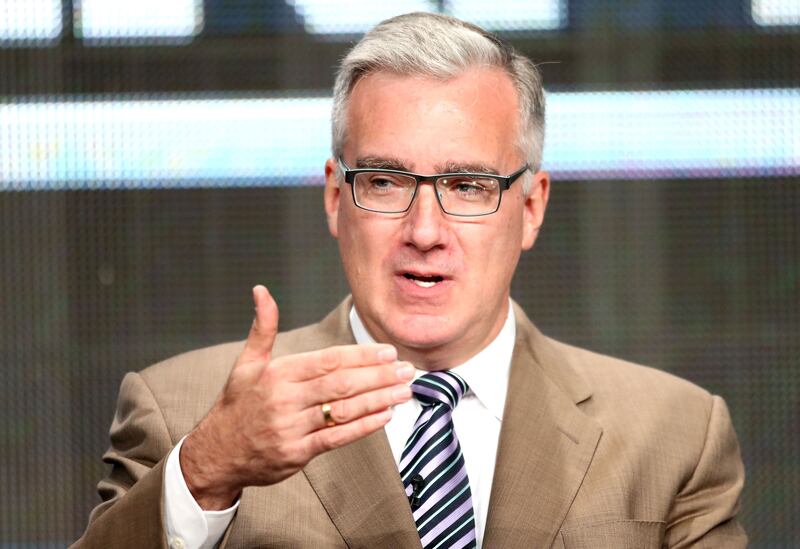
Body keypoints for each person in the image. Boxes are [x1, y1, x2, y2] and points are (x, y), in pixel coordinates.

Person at [74, 12, 746, 549]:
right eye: (386, 181)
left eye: (468, 184)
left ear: (532, 206)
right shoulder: (181, 412)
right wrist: (208, 469)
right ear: (336, 197)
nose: (425, 229)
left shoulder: (674, 436)